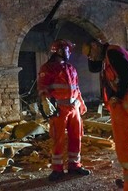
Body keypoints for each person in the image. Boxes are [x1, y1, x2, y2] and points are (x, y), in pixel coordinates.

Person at [82, 39, 128, 191]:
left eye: (91, 54)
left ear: (95, 45)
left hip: (124, 106)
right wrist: (92, 56)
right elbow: (94, 69)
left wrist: (118, 96)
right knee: (127, 145)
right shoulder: (107, 55)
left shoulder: (112, 53)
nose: (92, 58)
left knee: (125, 148)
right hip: (122, 107)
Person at [37, 39, 91, 181]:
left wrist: (81, 101)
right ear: (61, 51)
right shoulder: (47, 68)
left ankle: (75, 165)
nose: (70, 53)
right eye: (68, 50)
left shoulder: (71, 68)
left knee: (76, 136)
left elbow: (76, 87)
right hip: (59, 109)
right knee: (58, 138)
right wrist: (45, 101)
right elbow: (42, 86)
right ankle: (58, 169)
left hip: (74, 108)